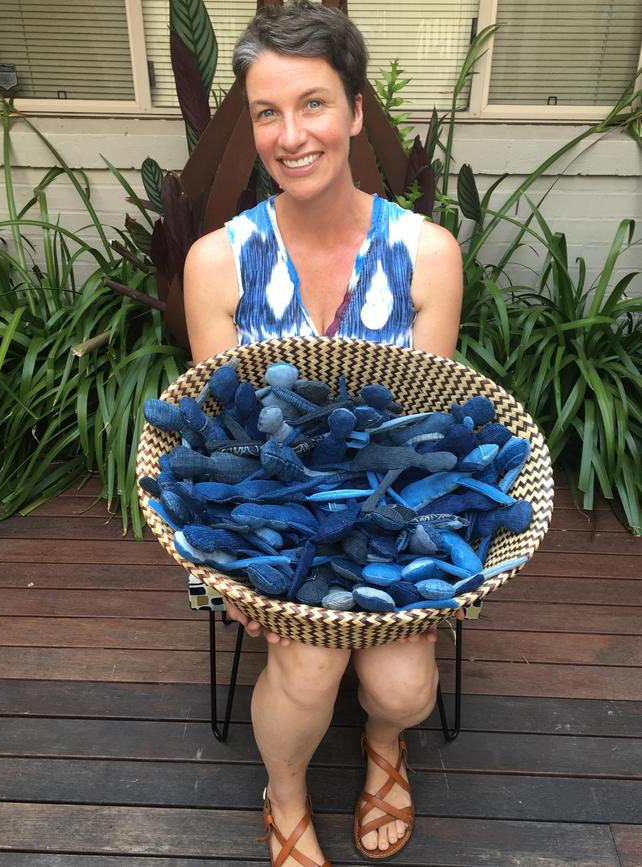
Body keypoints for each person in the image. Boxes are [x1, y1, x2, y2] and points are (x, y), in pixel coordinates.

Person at [183, 2, 463, 863]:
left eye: (312, 104)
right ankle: (289, 790)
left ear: (354, 108)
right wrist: (238, 557)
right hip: (267, 510)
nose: (289, 134)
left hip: (383, 509)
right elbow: (225, 431)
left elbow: (422, 430)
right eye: (267, 111)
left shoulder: (428, 253)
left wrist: (398, 546)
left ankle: (386, 743)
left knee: (404, 684)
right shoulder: (218, 263)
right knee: (307, 668)